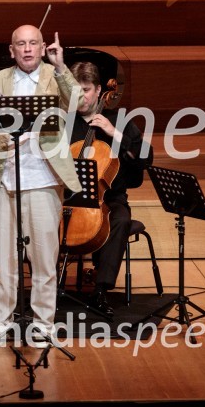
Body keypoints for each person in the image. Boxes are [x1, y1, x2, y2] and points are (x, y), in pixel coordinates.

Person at [0, 25, 82, 344]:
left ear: (42, 48)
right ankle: (1, 321)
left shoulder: (55, 76)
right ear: (12, 50)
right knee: (4, 259)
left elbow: (78, 101)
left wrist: (62, 65)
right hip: (5, 180)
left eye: (33, 43)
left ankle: (43, 323)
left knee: (43, 258)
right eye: (21, 44)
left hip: (43, 179)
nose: (27, 49)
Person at [68, 61, 152, 318]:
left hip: (109, 198)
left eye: (85, 90)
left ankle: (101, 290)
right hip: (68, 199)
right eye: (74, 91)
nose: (80, 97)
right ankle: (44, 288)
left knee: (120, 220)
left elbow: (145, 158)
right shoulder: (64, 122)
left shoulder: (120, 121)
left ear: (98, 90)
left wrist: (113, 132)